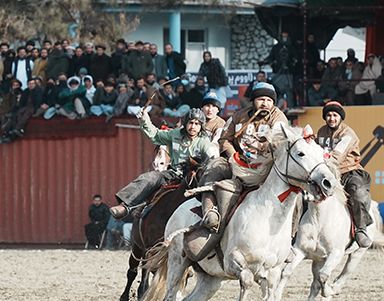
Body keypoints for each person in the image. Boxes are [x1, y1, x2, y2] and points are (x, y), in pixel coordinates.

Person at [196, 82, 288, 232]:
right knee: (215, 166)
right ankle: (209, 210)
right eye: (261, 99)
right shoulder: (238, 116)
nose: (265, 104)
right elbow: (224, 139)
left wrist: (261, 147)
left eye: (269, 100)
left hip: (266, 165)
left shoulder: (279, 118)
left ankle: (290, 233)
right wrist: (233, 156)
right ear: (252, 100)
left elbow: (278, 143)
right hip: (237, 161)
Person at [109, 108, 217, 219]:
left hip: (194, 178)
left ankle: (212, 217)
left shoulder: (204, 142)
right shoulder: (175, 134)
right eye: (191, 122)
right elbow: (155, 135)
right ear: (186, 123)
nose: (193, 126)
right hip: (173, 174)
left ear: (201, 127)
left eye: (197, 124)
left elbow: (214, 157)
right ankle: (124, 207)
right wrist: (144, 119)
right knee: (150, 177)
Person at [316, 102, 373, 246]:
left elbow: (337, 156)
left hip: (349, 172)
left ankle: (361, 229)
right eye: (328, 115)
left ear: (341, 117)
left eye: (335, 115)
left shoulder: (348, 133)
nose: (332, 118)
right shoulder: (321, 132)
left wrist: (323, 164)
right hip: (326, 173)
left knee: (359, 194)